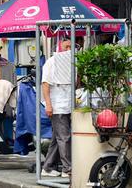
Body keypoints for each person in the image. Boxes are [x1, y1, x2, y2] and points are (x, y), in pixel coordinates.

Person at [41, 38, 75, 178]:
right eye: (66, 47)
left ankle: (48, 167)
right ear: (60, 46)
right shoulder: (51, 62)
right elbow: (45, 84)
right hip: (57, 106)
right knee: (64, 137)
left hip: (67, 105)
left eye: (71, 47)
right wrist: (49, 104)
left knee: (57, 138)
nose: (69, 50)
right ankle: (67, 168)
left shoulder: (71, 63)